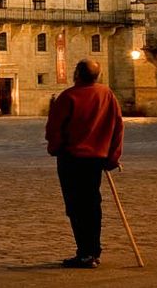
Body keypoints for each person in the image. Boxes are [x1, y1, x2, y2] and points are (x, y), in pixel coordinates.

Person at [44, 59, 124, 269]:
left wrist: (57, 148)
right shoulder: (107, 94)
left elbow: (54, 129)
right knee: (92, 205)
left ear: (77, 73)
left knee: (76, 207)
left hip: (72, 159)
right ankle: (94, 251)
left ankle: (85, 253)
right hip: (97, 159)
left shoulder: (68, 97)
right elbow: (117, 127)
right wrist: (112, 157)